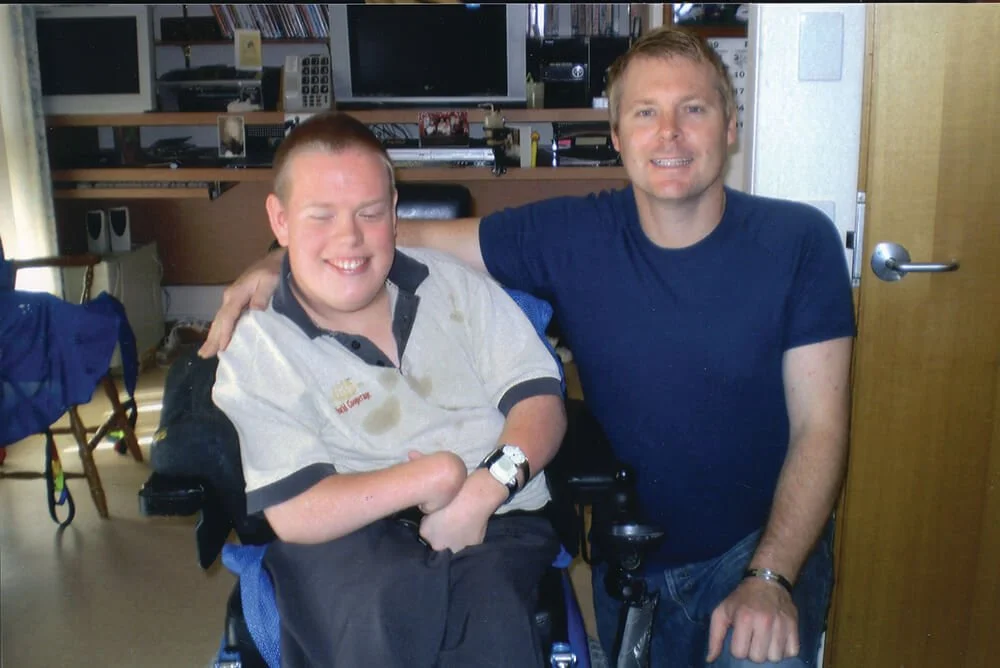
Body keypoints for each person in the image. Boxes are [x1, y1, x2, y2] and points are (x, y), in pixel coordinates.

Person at [201, 26, 855, 668]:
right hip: (632, 564)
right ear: (618, 136)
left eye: (694, 109)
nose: (671, 134)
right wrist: (277, 264)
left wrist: (771, 577)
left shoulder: (798, 243)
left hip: (753, 551)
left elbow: (822, 430)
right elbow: (400, 237)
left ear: (731, 124)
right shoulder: (569, 235)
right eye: (647, 113)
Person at [210, 111, 568, 667]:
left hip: (496, 515)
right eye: (320, 216)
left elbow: (540, 403)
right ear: (279, 222)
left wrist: (479, 491)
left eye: (369, 213)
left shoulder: (454, 285)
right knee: (377, 617)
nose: (348, 238)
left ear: (394, 212)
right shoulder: (259, 345)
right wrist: (433, 474)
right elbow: (295, 512)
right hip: (348, 531)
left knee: (491, 626)